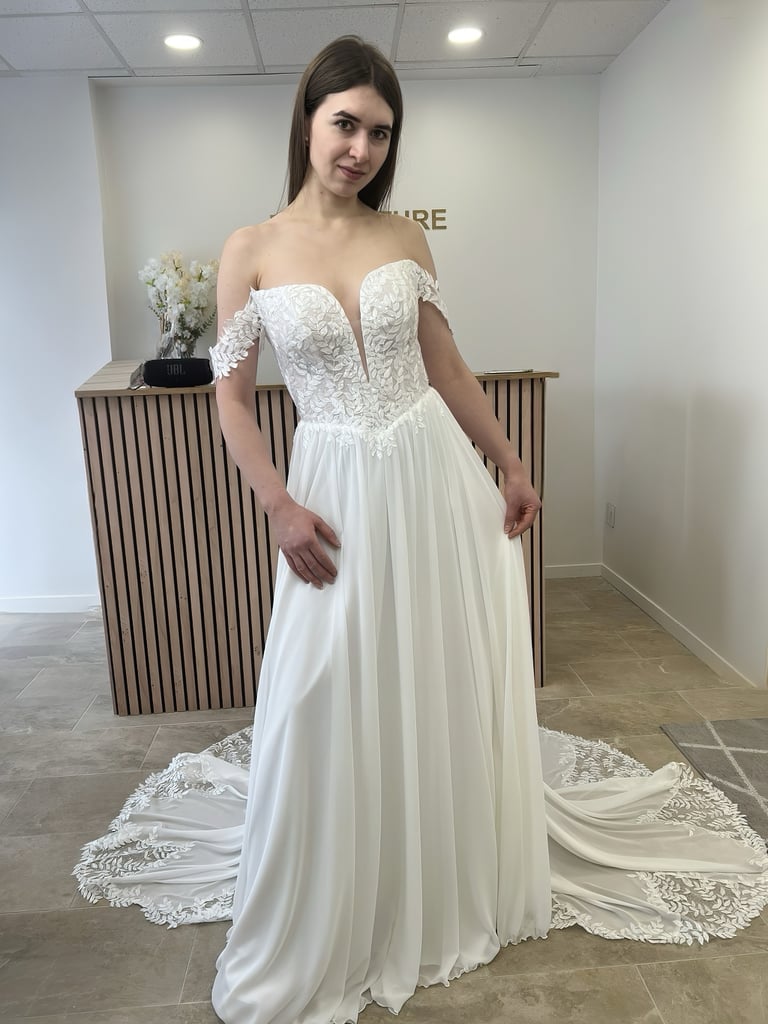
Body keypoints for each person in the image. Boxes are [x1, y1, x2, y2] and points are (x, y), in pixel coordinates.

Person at [74, 35, 768, 1024]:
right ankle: (350, 869)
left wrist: (511, 460)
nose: (360, 146)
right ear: (308, 121)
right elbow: (230, 402)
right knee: (328, 679)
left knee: (437, 663)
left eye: (380, 131)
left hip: (431, 475)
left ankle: (444, 857)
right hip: (332, 484)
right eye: (344, 122)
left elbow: (446, 368)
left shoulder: (403, 239)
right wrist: (275, 499)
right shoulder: (251, 247)